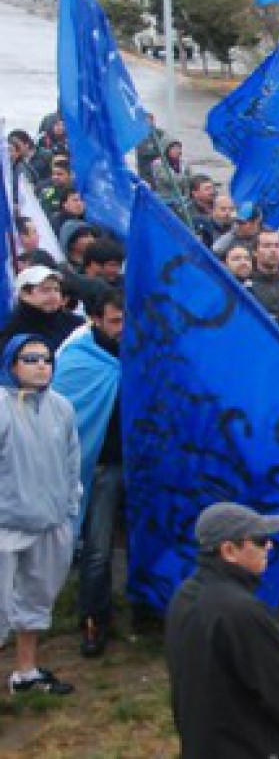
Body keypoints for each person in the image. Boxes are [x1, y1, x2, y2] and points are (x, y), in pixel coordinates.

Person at [165, 502, 279, 757]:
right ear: (229, 550)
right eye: (259, 540)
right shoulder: (242, 612)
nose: (269, 545)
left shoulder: (184, 596)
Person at [0, 335, 80, 696]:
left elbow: (72, 462)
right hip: (5, 525)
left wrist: (67, 510)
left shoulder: (62, 408)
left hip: (50, 523)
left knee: (37, 597)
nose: (41, 365)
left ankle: (26, 672)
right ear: (12, 365)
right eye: (30, 359)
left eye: (46, 359)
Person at [53, 292, 125, 658]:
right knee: (97, 551)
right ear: (95, 319)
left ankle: (152, 609)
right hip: (101, 467)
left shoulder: (148, 353)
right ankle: (94, 619)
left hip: (144, 467)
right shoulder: (78, 359)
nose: (124, 329)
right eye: (115, 321)